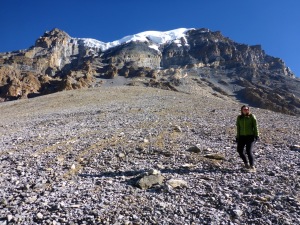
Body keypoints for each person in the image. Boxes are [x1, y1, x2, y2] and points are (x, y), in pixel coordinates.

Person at [236, 105, 259, 172]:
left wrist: (257, 135)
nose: (246, 110)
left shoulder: (252, 116)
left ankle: (252, 167)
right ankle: (246, 164)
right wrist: (237, 136)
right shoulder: (239, 117)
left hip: (250, 136)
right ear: (242, 110)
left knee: (249, 151)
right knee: (239, 151)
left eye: (247, 109)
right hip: (242, 136)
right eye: (244, 109)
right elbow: (238, 128)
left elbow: (255, 126)